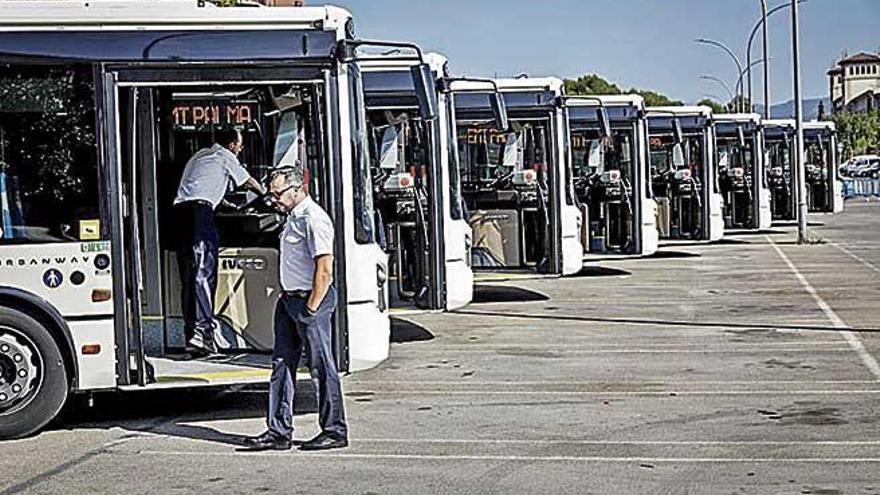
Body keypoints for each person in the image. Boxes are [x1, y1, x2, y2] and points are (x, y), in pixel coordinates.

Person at [243, 166, 348, 452]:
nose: (273, 199)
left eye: (277, 193)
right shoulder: (292, 217)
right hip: (289, 300)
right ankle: (278, 431)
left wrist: (311, 307)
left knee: (321, 366)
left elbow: (324, 268)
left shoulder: (313, 219)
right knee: (281, 365)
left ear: (297, 189)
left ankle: (334, 430)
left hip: (308, 302)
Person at [173, 128, 265, 355]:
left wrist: (224, 204)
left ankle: (190, 334)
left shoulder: (200, 156)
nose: (241, 149)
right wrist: (267, 193)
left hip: (180, 217)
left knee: (189, 277)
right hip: (199, 217)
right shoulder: (225, 157)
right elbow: (249, 182)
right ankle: (202, 333)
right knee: (204, 274)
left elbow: (202, 188)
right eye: (240, 145)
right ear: (232, 144)